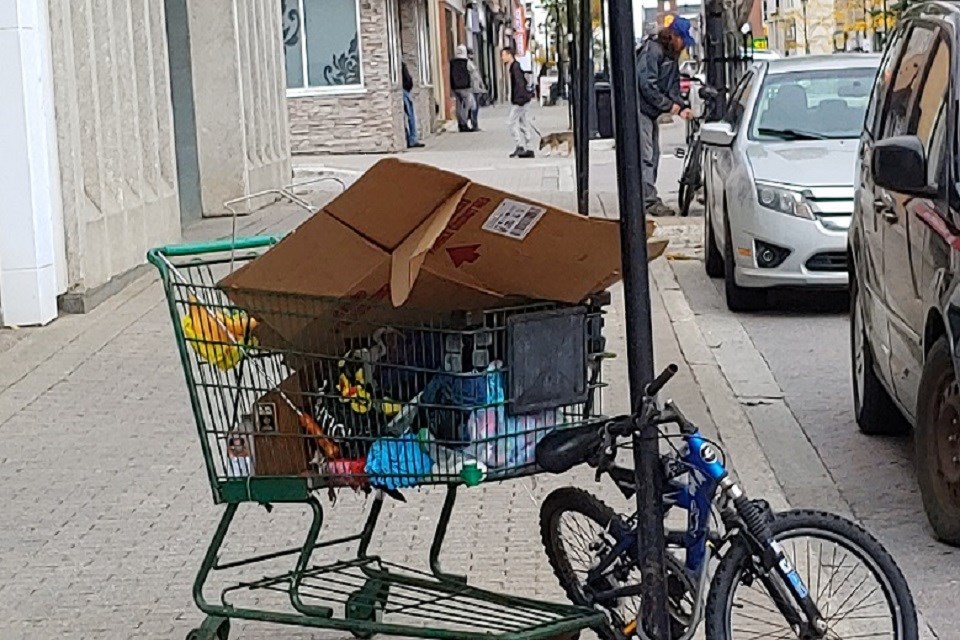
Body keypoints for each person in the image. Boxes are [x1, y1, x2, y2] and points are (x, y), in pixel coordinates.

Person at [636, 16, 695, 216]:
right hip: (640, 108)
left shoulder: (671, 55)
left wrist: (682, 105)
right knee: (646, 155)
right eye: (683, 41)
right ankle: (647, 200)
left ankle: (647, 197)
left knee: (653, 154)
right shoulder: (654, 50)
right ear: (674, 36)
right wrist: (671, 106)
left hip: (649, 110)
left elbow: (673, 86)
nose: (684, 46)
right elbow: (646, 84)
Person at [501, 47, 536, 158]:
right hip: (523, 99)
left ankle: (520, 145)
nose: (502, 57)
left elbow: (519, 84)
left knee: (511, 122)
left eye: (503, 55)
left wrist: (518, 99)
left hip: (520, 100)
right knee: (523, 123)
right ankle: (529, 148)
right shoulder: (516, 66)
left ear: (509, 55)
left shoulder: (515, 67)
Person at [450, 45, 475, 132]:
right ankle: (464, 124)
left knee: (458, 106)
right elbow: (473, 71)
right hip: (465, 87)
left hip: (455, 88)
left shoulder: (452, 62)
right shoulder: (466, 62)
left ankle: (460, 124)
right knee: (466, 106)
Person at [402, 62, 424, 148]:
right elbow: (407, 79)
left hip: (403, 90)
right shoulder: (401, 65)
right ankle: (412, 139)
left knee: (406, 116)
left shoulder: (397, 64)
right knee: (411, 115)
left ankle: (409, 138)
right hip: (404, 91)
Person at [467, 48, 486, 131]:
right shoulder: (468, 64)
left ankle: (475, 124)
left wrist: (482, 86)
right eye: (470, 54)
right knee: (474, 108)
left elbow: (477, 76)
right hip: (472, 89)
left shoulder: (471, 64)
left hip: (476, 88)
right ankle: (474, 125)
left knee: (476, 107)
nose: (472, 56)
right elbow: (474, 76)